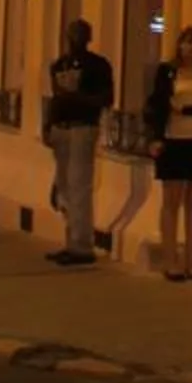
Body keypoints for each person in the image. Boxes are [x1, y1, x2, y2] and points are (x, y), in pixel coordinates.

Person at [145, 24, 192, 280]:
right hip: (174, 140)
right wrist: (155, 138)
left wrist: (186, 110)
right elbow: (159, 104)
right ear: (180, 45)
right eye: (189, 42)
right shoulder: (167, 72)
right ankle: (170, 260)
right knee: (171, 202)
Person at [44, 15, 116, 266]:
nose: (76, 39)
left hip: (83, 127)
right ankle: (71, 240)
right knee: (64, 187)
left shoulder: (98, 65)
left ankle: (82, 245)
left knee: (79, 185)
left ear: (88, 38)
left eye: (81, 34)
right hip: (62, 128)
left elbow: (107, 98)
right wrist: (48, 125)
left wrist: (79, 98)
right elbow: (55, 97)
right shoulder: (60, 64)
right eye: (73, 34)